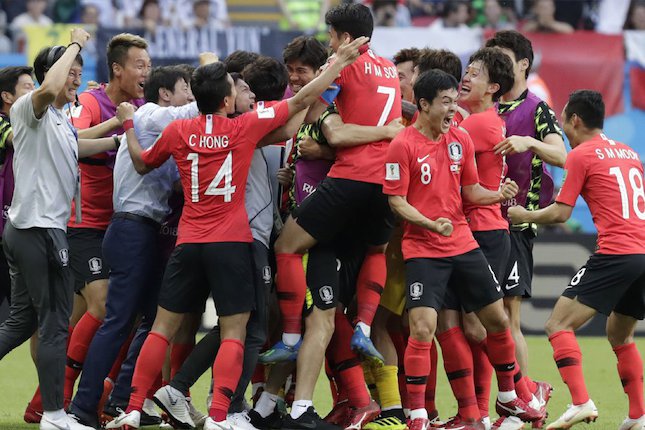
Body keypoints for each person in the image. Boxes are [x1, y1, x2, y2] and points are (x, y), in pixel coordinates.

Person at [104, 36, 367, 430]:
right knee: (235, 331)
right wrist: (337, 64)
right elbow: (298, 101)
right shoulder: (243, 128)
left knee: (162, 327)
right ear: (227, 101)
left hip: (188, 240)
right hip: (231, 242)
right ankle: (217, 417)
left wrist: (128, 123)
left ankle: (133, 409)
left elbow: (142, 164)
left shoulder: (178, 131)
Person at [382, 69, 542, 430]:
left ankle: (506, 396)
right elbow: (396, 201)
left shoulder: (460, 140)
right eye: (446, 102)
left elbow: (470, 191)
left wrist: (496, 195)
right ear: (423, 104)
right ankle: (419, 414)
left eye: (455, 100)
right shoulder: (402, 144)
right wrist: (428, 223)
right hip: (422, 248)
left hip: (463, 243)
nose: (453, 109)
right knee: (423, 328)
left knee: (497, 319)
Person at [0, 29, 132, 430]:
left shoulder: (56, 118)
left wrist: (119, 133)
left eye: (79, 73)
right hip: (41, 230)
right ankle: (55, 414)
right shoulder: (31, 107)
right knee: (56, 323)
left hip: (31, 229)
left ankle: (55, 411)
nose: (77, 79)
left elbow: (77, 145)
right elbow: (51, 85)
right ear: (50, 76)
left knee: (21, 321)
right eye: (71, 73)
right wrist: (74, 42)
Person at [68, 64, 198, 429]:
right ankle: (81, 407)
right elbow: (193, 110)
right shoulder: (150, 114)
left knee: (152, 320)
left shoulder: (160, 133)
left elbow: (172, 183)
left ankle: (121, 400)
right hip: (130, 229)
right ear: (165, 94)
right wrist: (213, 77)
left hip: (145, 230)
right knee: (118, 321)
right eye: (185, 87)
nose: (190, 94)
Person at [507, 90, 645, 430]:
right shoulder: (629, 153)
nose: (563, 128)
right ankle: (638, 416)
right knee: (620, 334)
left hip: (615, 251)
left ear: (576, 120)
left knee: (557, 325)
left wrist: (524, 213)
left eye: (564, 119)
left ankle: (581, 401)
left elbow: (560, 213)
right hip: (642, 253)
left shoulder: (582, 154)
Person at [61, 32, 151, 413]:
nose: (146, 72)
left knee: (103, 316)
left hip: (118, 226)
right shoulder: (90, 101)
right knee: (102, 308)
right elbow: (74, 141)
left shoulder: (144, 106)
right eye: (139, 65)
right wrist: (118, 127)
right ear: (117, 69)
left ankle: (50, 402)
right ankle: (63, 400)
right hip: (83, 222)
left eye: (149, 65)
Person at [485, 31, 565, 409]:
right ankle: (492, 403)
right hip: (479, 225)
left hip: (514, 224)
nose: (495, 63)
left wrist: (530, 142)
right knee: (480, 320)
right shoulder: (483, 105)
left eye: (502, 57)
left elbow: (562, 155)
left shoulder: (536, 108)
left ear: (522, 64)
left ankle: (524, 397)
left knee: (506, 317)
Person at [0, 66, 35, 308]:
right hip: (4, 229)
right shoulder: (3, 124)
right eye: (27, 87)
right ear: (7, 96)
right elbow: (20, 140)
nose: (34, 93)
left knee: (28, 313)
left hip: (15, 229)